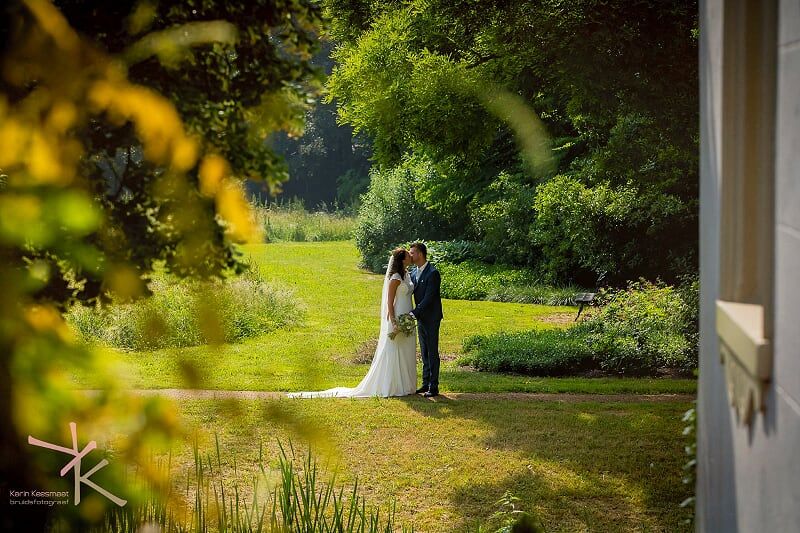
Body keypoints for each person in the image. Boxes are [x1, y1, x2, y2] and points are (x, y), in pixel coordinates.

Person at [288, 248, 417, 398]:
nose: (411, 257)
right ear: (402, 260)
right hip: (398, 316)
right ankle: (392, 385)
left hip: (407, 316)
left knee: (405, 349)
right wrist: (394, 321)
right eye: (408, 255)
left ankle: (406, 384)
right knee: (394, 350)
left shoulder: (406, 274)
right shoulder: (395, 277)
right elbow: (389, 301)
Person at [408, 242, 443, 397]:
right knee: (424, 351)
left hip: (432, 317)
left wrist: (415, 312)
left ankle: (433, 386)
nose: (410, 255)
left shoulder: (433, 273)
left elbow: (429, 297)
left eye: (412, 253)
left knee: (432, 351)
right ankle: (425, 383)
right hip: (422, 318)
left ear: (420, 254)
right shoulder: (414, 272)